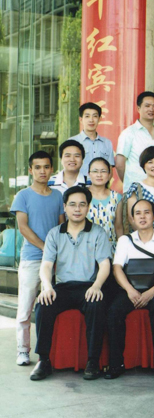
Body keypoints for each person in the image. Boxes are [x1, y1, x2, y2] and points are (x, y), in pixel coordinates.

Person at [28, 186, 111, 381]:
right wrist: (47, 286)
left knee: (97, 304)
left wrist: (97, 285)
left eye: (82, 204)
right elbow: (46, 265)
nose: (77, 209)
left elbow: (105, 264)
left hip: (88, 286)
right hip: (62, 288)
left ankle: (92, 361)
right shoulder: (54, 234)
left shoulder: (98, 232)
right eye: (72, 204)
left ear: (88, 207)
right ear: (65, 207)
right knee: (43, 304)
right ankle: (44, 360)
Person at [107, 199, 154, 380]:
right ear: (132, 218)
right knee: (114, 311)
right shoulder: (125, 240)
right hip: (130, 289)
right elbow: (117, 269)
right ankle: (115, 364)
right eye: (138, 213)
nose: (142, 217)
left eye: (147, 212)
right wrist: (130, 291)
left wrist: (151, 293)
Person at [12, 152, 64, 367]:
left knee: (51, 307)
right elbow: (23, 227)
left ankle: (48, 352)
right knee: (25, 308)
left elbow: (62, 227)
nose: (42, 171)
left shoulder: (58, 196)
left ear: (52, 169)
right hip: (32, 260)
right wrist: (45, 248)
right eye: (38, 167)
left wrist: (55, 253)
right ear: (30, 170)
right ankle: (23, 350)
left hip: (56, 262)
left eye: (46, 167)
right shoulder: (22, 196)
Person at [116, 92, 154, 193]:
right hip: (136, 190)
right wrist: (129, 181)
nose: (151, 109)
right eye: (147, 106)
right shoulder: (129, 133)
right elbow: (119, 164)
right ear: (138, 108)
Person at [121, 147, 154, 234]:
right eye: (150, 162)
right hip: (141, 238)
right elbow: (132, 218)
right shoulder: (136, 188)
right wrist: (147, 238)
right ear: (144, 165)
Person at [86, 157, 122, 253]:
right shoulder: (82, 195)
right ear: (89, 174)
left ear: (109, 174)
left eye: (103, 171)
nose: (99, 175)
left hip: (110, 250)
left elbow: (118, 226)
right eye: (95, 171)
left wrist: (122, 250)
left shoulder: (116, 197)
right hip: (86, 249)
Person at [70, 102, 115, 177]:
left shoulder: (107, 143)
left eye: (95, 116)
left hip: (101, 183)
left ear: (99, 119)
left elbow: (109, 169)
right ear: (81, 119)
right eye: (87, 116)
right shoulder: (72, 142)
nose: (91, 120)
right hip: (80, 183)